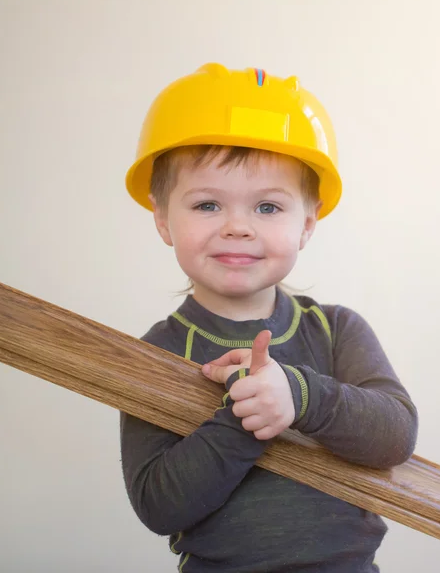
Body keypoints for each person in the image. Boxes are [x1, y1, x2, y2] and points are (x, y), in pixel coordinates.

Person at [120, 62, 418, 572]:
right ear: (162, 219)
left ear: (306, 224)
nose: (238, 227)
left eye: (267, 208)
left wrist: (299, 397)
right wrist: (244, 416)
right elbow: (158, 505)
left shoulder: (337, 330)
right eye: (209, 204)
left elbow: (395, 435)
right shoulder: (154, 353)